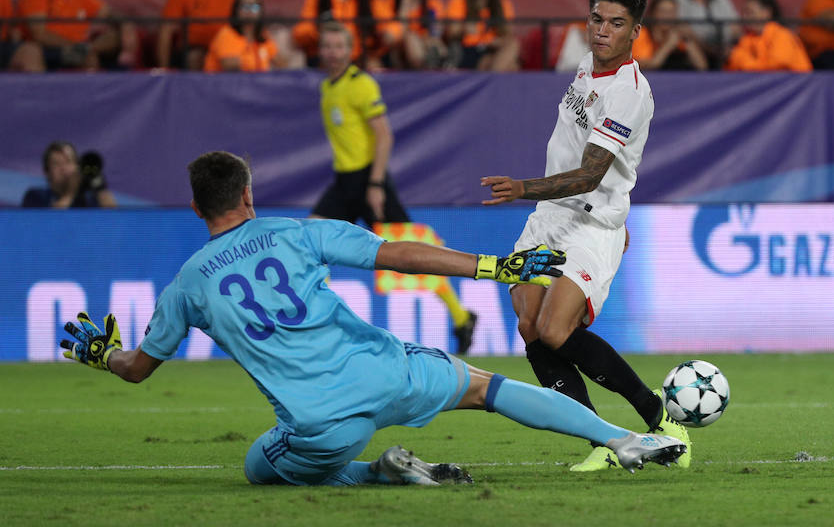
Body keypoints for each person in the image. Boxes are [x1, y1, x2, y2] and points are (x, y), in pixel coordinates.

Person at [59, 151, 686, 487]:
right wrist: (497, 267)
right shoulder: (298, 233)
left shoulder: (188, 285)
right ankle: (624, 441)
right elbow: (398, 252)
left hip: (319, 425)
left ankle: (378, 475)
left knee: (258, 466)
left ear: (197, 208)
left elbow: (138, 368)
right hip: (389, 372)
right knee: (491, 389)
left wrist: (102, 355)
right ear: (248, 194)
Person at [480, 0, 691, 472]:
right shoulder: (584, 66)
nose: (603, 31)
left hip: (588, 223)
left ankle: (659, 417)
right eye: (597, 19)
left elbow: (592, 174)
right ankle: (601, 441)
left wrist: (526, 187)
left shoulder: (630, 92)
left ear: (635, 31)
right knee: (530, 326)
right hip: (548, 218)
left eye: (616, 24)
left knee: (556, 328)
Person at [311, 21, 477, 353]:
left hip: (369, 180)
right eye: (327, 46)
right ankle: (324, 324)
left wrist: (375, 183)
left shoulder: (362, 85)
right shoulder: (327, 87)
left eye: (338, 46)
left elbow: (384, 134)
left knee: (409, 254)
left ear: (350, 49)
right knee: (310, 242)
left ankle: (461, 318)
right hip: (343, 182)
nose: (332, 53)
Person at [445, 0, 519, 71]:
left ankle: (490, 83)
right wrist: (463, 29)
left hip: (491, 50)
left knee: (513, 51)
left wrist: (494, 42)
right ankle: (492, 83)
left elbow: (507, 33)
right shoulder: (459, 1)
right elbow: (451, 33)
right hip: (467, 50)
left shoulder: (504, 4)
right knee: (511, 67)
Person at [671, 0, 740, 68]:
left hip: (724, 50)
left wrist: (723, 46)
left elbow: (736, 28)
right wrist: (706, 47)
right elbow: (680, 28)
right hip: (692, 54)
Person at [379, 0, 446, 70]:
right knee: (410, 38)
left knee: (432, 45)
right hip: (395, 54)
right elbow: (390, 38)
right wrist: (406, 1)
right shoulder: (387, 4)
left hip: (426, 49)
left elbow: (435, 34)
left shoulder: (434, 4)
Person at [726, 0, 812, 72]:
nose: (744, 17)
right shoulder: (747, 39)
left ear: (766, 12)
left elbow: (775, 68)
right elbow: (734, 69)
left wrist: (738, 57)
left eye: (750, 12)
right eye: (743, 13)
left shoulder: (782, 35)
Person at [203, 0, 285, 73]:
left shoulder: (262, 35)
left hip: (258, 82)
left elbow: (280, 62)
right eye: (245, 7)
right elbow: (229, 65)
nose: (249, 11)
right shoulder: (227, 33)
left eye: (255, 7)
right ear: (236, 10)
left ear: (261, 11)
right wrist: (258, 57)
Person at [22, 141, 116, 208]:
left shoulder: (90, 198)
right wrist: (70, 194)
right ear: (46, 172)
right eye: (56, 164)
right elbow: (50, 224)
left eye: (68, 162)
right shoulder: (35, 196)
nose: (64, 168)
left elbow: (114, 221)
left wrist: (100, 188)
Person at [632, 0, 708, 71]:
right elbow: (649, 65)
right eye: (662, 11)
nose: (667, 16)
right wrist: (668, 45)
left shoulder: (677, 32)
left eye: (671, 12)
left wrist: (688, 39)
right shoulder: (642, 33)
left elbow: (702, 66)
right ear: (652, 13)